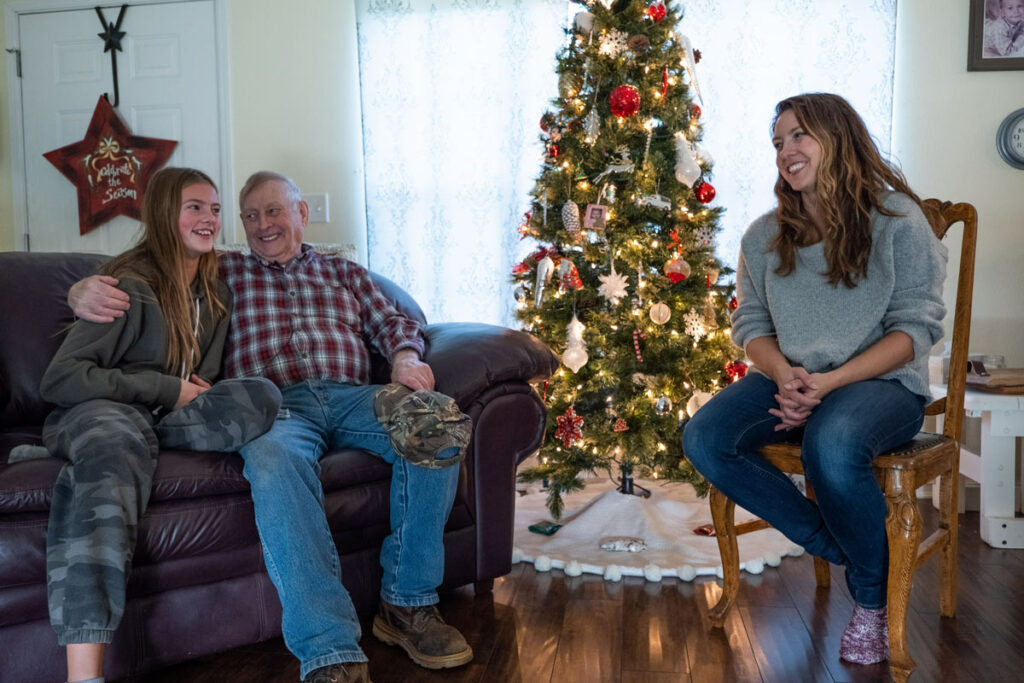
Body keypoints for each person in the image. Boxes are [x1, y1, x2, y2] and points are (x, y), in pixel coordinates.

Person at [69, 171, 473, 683]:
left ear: (302, 214)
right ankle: (329, 648)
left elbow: (393, 323)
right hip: (274, 405)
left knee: (437, 420)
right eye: (251, 216)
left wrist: (405, 357)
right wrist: (82, 289)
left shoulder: (343, 271)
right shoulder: (221, 270)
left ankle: (407, 604)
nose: (263, 225)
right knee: (274, 461)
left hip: (353, 397)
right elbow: (153, 271)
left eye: (275, 211)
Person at [682, 93, 947, 666]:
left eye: (799, 135)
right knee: (705, 438)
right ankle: (835, 543)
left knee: (832, 441)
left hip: (884, 383)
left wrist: (827, 387)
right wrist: (784, 377)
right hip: (793, 375)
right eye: (778, 142)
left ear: (838, 137)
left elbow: (914, 328)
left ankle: (871, 602)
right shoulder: (763, 235)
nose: (786, 151)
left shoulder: (898, 220)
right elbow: (749, 324)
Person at [25, 167, 281, 683]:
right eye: (194, 207)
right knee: (118, 446)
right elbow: (62, 380)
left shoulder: (215, 294)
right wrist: (168, 390)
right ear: (165, 214)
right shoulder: (128, 288)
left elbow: (204, 379)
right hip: (99, 413)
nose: (209, 218)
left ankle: (125, 445)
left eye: (214, 208)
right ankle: (84, 675)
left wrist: (184, 396)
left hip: (158, 421)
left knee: (261, 396)